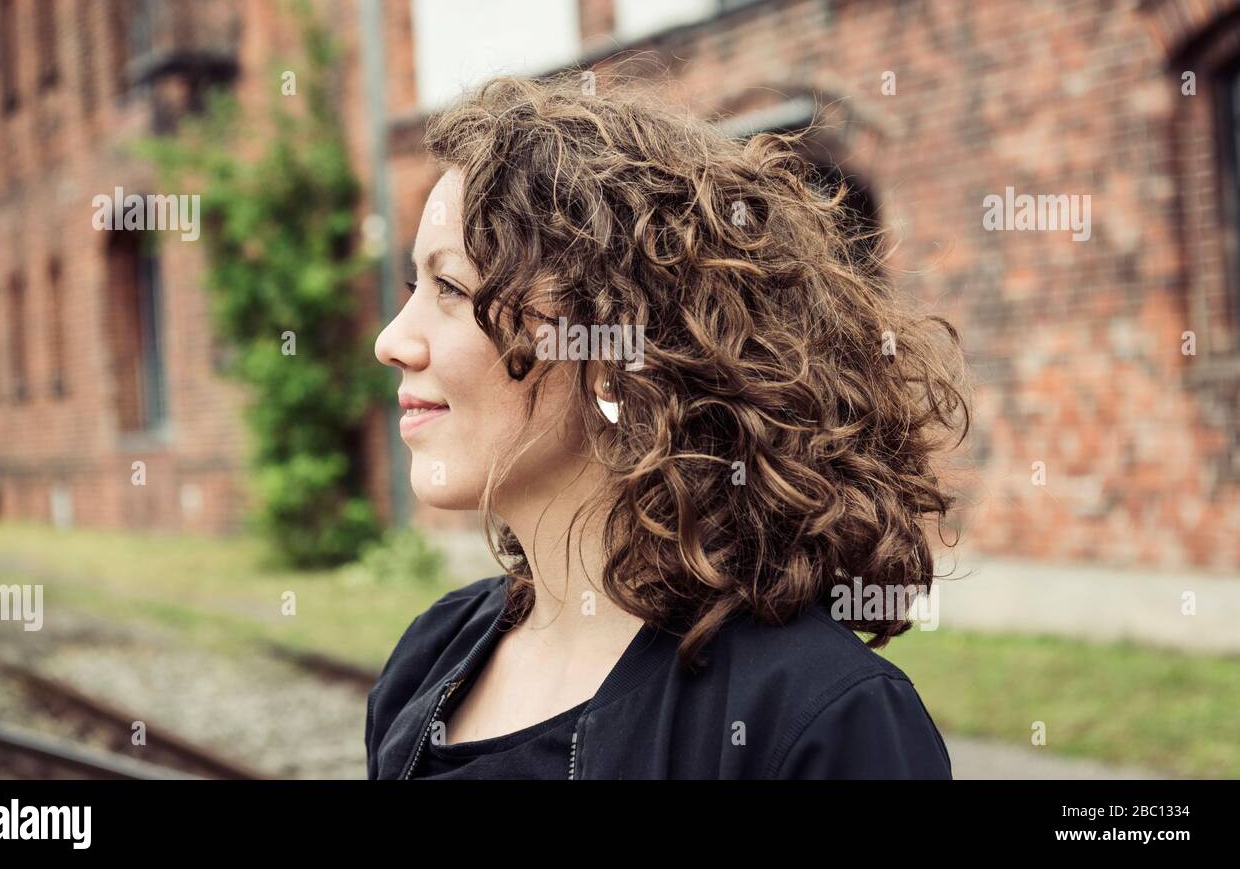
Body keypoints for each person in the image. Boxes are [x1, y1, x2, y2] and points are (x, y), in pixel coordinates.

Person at [368, 71, 971, 779]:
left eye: (450, 287)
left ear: (612, 353)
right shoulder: (428, 658)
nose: (391, 340)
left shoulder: (817, 715)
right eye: (415, 286)